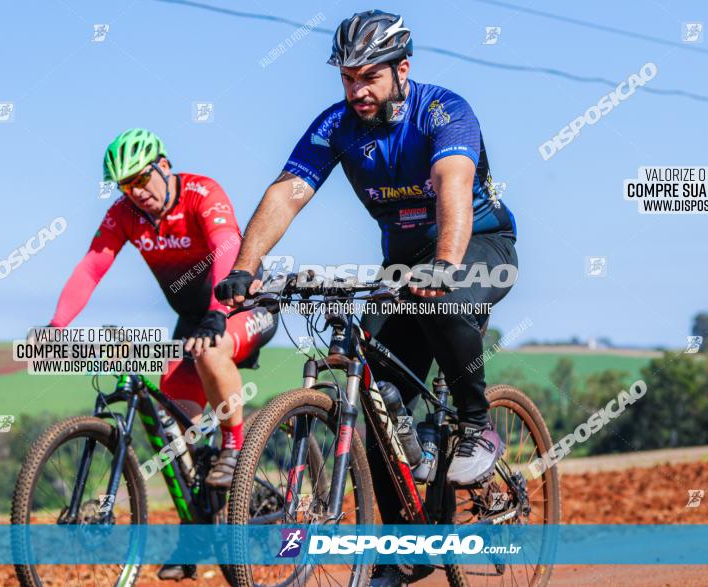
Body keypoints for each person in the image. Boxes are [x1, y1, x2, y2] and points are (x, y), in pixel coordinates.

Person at [214, 10, 518, 583]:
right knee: (378, 406)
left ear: (402, 70)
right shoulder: (337, 126)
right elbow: (288, 193)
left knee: (441, 299)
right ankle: (406, 550)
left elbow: (453, 184)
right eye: (347, 78)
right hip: (401, 268)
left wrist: (448, 265)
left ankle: (476, 423)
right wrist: (244, 269)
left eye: (369, 77)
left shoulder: (443, 111)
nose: (356, 90)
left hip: (478, 247)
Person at [46, 128, 276, 580]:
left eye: (142, 178)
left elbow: (228, 247)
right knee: (178, 436)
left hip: (240, 304)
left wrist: (217, 311)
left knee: (211, 355)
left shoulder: (200, 192)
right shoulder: (126, 214)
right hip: (193, 321)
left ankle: (235, 448)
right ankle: (197, 532)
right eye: (126, 185)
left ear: (164, 165)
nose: (138, 191)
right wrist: (56, 327)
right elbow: (92, 266)